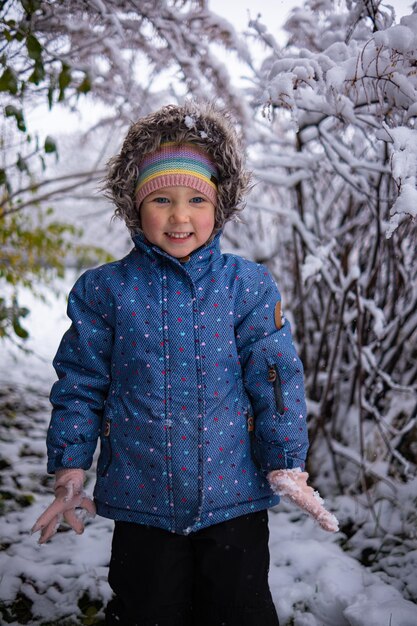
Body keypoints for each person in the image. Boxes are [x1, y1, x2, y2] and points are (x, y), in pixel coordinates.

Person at [32, 101, 339, 626]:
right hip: (142, 501)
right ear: (135, 207)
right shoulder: (105, 292)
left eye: (197, 198)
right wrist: (70, 464)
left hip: (234, 503)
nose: (180, 216)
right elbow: (81, 384)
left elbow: (275, 379)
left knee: (238, 613)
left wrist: (285, 459)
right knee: (147, 611)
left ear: (219, 207)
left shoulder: (246, 286)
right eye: (162, 200)